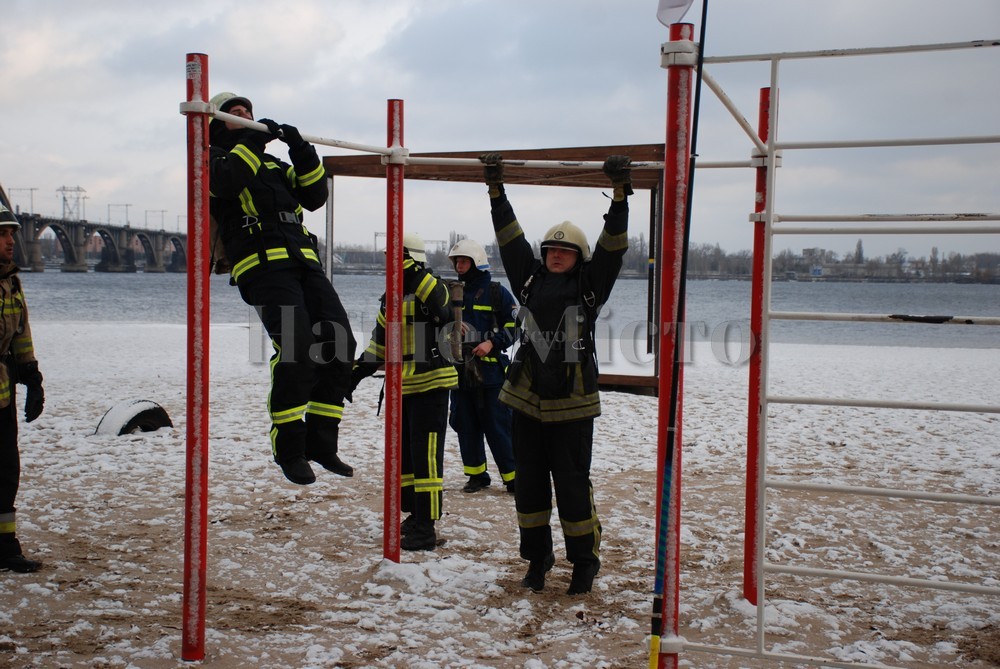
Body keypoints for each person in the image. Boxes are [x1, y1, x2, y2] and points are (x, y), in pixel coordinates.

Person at [478, 152, 632, 595]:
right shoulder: (528, 280)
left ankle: (584, 563)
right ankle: (537, 560)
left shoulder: (590, 285)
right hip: (525, 401)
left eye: (565, 251)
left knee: (571, 489)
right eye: (551, 250)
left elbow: (612, 246)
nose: (556, 255)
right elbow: (510, 239)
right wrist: (496, 189)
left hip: (572, 404)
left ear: (578, 257)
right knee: (528, 489)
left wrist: (619, 195)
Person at [209, 92, 356, 485]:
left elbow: (314, 197)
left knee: (341, 345)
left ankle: (322, 444)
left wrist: (301, 150)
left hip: (303, 261)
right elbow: (227, 184)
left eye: (247, 112)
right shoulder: (212, 158)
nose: (244, 116)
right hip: (263, 266)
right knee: (297, 348)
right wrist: (253, 140)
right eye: (234, 114)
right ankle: (289, 449)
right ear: (215, 125)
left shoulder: (272, 162)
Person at [350, 234, 458, 551]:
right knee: (407, 461)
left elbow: (443, 312)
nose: (387, 265)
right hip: (403, 387)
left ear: (410, 258)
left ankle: (426, 528)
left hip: (432, 385)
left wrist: (412, 271)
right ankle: (414, 517)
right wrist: (355, 374)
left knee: (426, 461)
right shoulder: (390, 296)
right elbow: (379, 344)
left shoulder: (432, 286)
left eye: (392, 258)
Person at [446, 239, 518, 494]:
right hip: (460, 370)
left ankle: (512, 478)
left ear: (477, 262)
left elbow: (515, 327)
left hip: (491, 373)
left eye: (464, 260)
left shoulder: (497, 292)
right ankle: (476, 476)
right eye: (457, 261)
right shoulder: (450, 293)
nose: (459, 265)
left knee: (498, 426)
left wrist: (492, 343)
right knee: (464, 423)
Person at [0, 202, 45, 573]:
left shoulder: (10, 281)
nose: (11, 241)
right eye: (2, 234)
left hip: (2, 395)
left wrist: (31, 377)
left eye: (12, 233)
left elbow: (20, 334)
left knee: (5, 470)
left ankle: (5, 546)